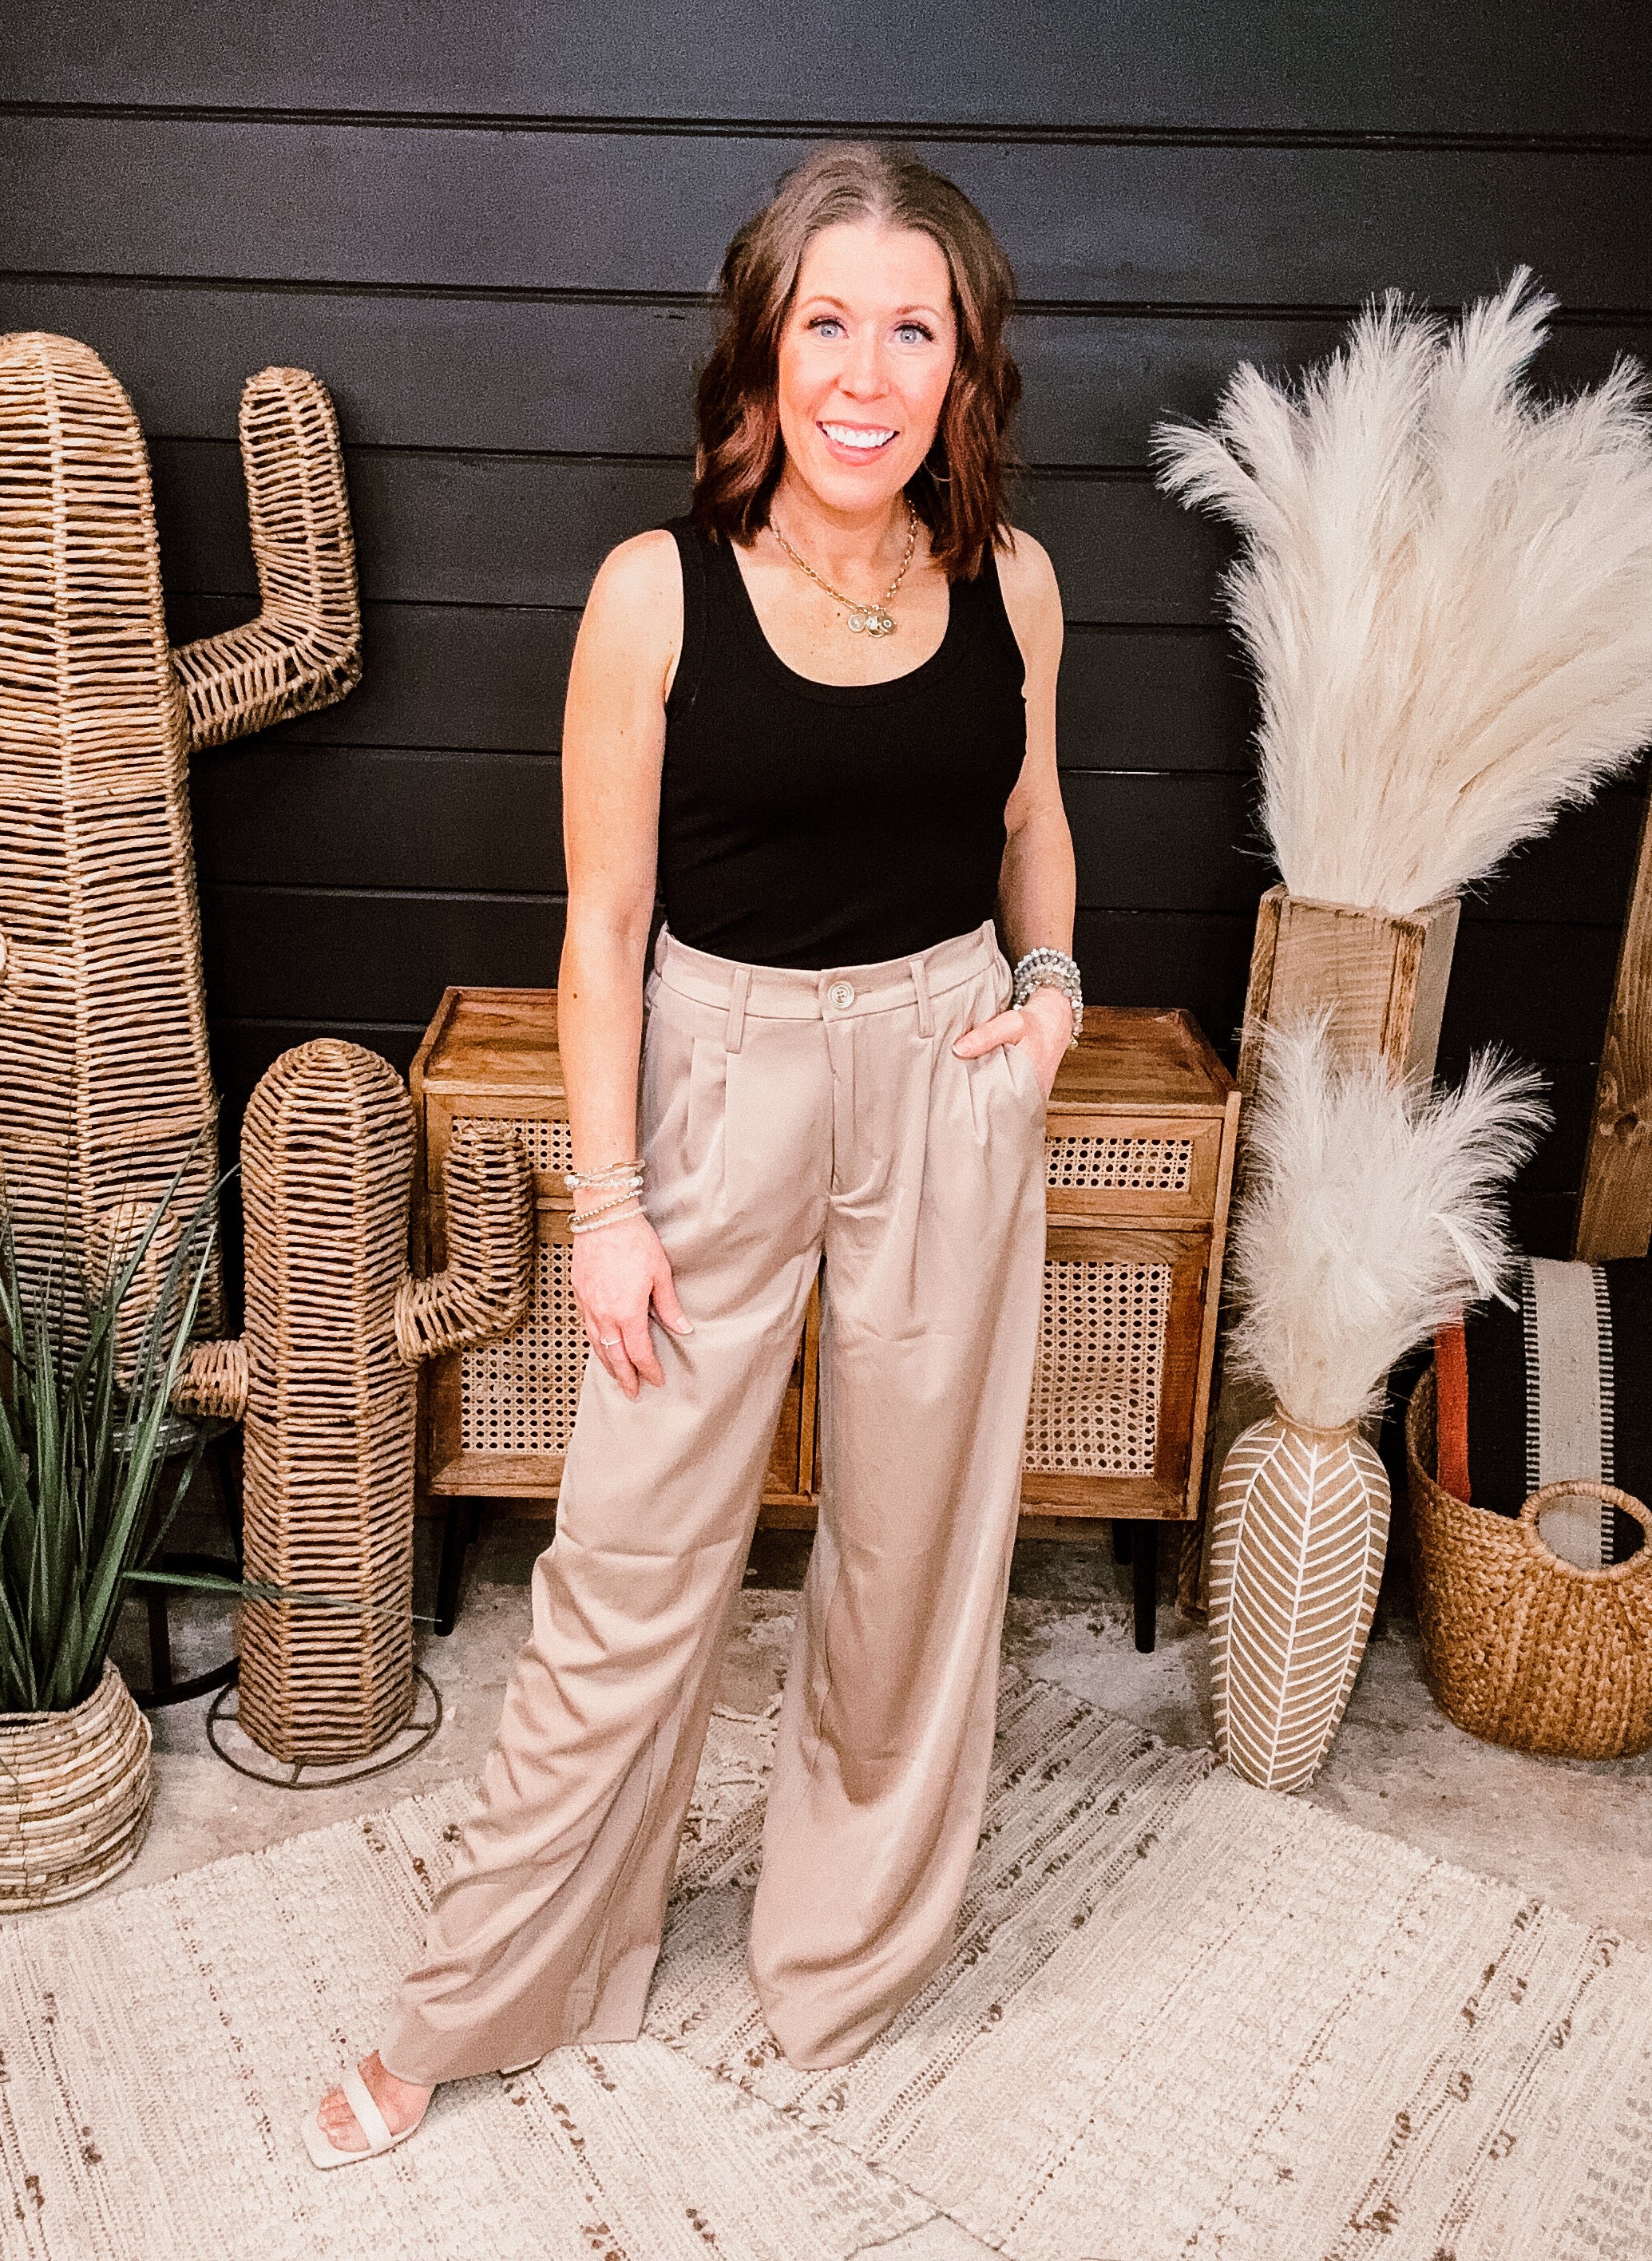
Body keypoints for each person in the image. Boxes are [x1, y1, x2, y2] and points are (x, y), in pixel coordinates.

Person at [308, 141, 1078, 2168]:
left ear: (963, 366)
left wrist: (1054, 987)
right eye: (829, 321)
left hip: (947, 1069)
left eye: (913, 328)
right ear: (763, 350)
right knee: (631, 1568)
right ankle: (481, 1995)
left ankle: (839, 1956)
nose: (867, 373)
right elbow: (602, 928)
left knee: (914, 1551)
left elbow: (1033, 818)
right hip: (718, 1084)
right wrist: (610, 1203)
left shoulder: (1012, 582)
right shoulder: (657, 594)